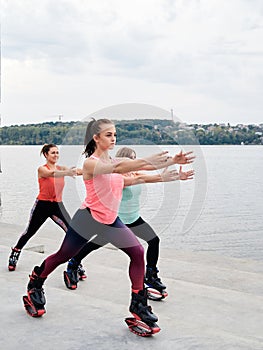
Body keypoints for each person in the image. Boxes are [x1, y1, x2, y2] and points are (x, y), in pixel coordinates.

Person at [22, 118, 194, 333]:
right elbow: (123, 166)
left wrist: (168, 172)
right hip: (88, 219)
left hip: (111, 221)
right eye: (108, 135)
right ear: (96, 138)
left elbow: (131, 178)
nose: (113, 138)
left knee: (138, 252)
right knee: (63, 256)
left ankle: (138, 304)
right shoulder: (91, 163)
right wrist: (154, 160)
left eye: (114, 134)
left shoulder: (112, 164)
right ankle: (36, 282)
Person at [63, 147, 194, 301]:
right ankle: (73, 264)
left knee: (154, 241)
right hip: (115, 221)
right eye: (131, 159)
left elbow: (148, 174)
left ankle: (151, 274)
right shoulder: (114, 177)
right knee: (94, 244)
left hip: (133, 219)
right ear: (124, 161)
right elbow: (145, 178)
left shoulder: (135, 172)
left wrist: (174, 176)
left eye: (135, 158)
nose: (134, 161)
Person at [8, 143, 81, 272]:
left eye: (57, 152)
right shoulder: (42, 169)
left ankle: (74, 262)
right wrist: (67, 172)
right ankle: (15, 252)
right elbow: (52, 173)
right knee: (29, 232)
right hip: (42, 205)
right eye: (53, 153)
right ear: (46, 155)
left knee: (71, 232)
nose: (56, 155)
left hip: (57, 206)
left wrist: (94, 171)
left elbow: (75, 171)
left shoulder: (61, 168)